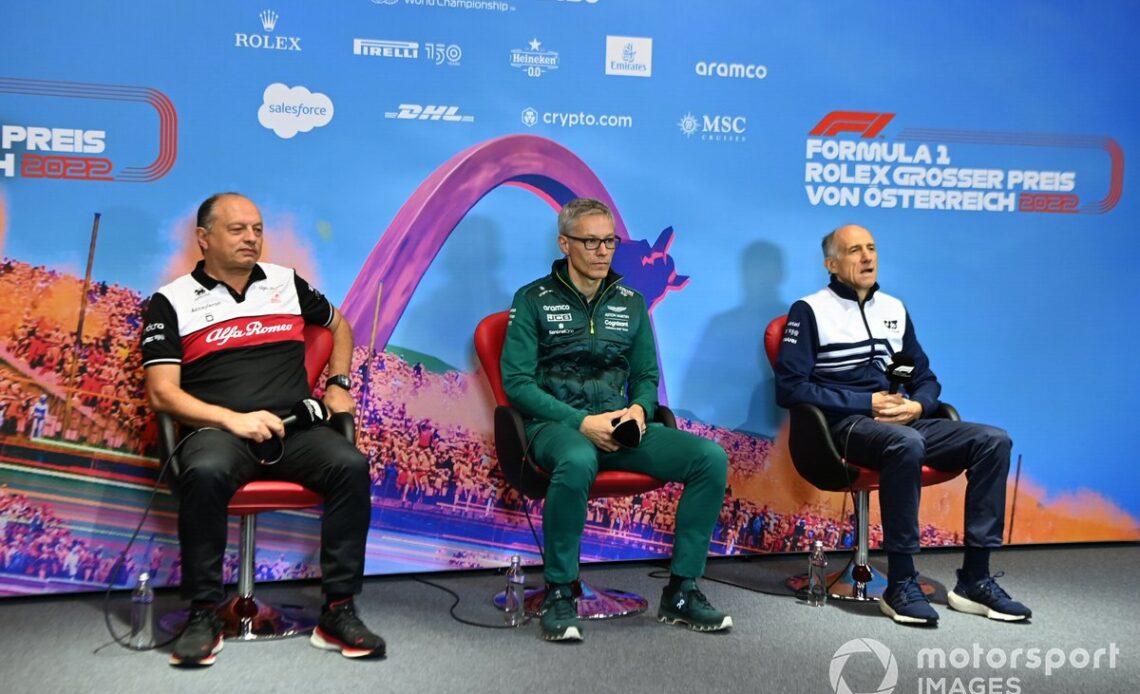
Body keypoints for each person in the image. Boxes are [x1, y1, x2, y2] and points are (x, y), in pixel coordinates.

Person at [141, 193, 383, 665]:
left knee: (350, 465)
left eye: (256, 229)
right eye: (237, 230)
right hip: (218, 431)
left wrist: (338, 382)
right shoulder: (169, 302)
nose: (251, 238)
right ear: (204, 238)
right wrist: (233, 419)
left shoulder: (286, 283)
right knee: (207, 472)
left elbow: (339, 325)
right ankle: (203, 613)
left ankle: (338, 610)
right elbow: (162, 394)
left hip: (293, 430)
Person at [774, 223, 1032, 626]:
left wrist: (918, 405)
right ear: (832, 264)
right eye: (855, 250)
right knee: (905, 444)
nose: (867, 257)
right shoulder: (809, 311)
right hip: (843, 427)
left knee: (993, 441)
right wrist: (865, 401)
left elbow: (925, 378)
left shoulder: (894, 309)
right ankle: (901, 583)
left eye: (871, 248)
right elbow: (791, 389)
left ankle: (975, 580)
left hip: (903, 420)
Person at [500, 197, 733, 641]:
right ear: (564, 243)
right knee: (578, 460)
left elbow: (646, 375)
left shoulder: (631, 302)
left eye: (609, 241)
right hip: (555, 428)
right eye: (591, 241)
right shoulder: (531, 299)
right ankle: (560, 591)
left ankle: (682, 591)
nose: (603, 251)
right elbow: (517, 384)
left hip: (621, 427)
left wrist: (640, 411)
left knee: (709, 458)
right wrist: (579, 423)